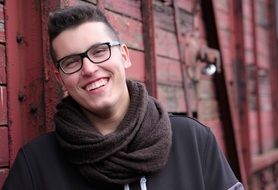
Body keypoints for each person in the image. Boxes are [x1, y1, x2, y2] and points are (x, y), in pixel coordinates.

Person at [2, 3, 244, 190]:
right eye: (72, 61)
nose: (89, 69)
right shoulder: (35, 165)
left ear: (124, 55)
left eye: (99, 51)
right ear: (59, 77)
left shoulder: (193, 140)